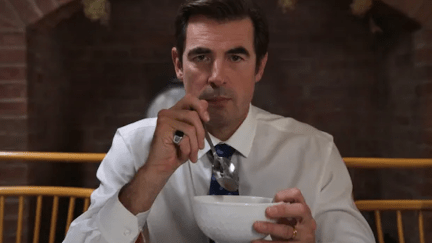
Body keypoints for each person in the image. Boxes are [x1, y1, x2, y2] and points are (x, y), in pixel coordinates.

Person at [64, 0, 375, 242]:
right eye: (201, 57)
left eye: (236, 57)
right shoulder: (133, 146)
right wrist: (150, 175)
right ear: (178, 65)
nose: (216, 76)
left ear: (260, 67)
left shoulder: (314, 151)